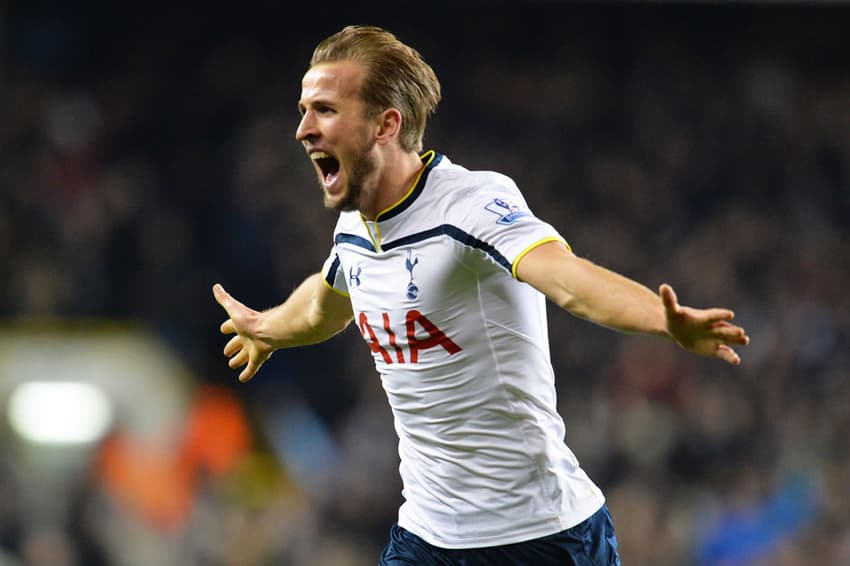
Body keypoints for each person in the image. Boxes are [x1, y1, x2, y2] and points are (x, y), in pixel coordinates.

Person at [212, 25, 749, 565]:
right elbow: (325, 303)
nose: (303, 129)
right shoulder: (356, 226)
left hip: (541, 539)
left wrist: (664, 320)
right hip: (428, 538)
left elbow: (567, 278)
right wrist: (268, 329)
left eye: (324, 110)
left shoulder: (470, 205)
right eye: (303, 110)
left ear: (385, 124)